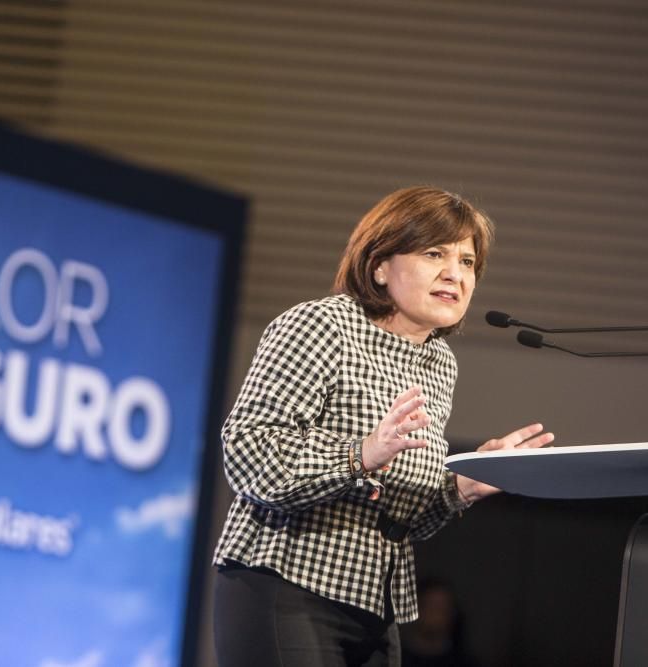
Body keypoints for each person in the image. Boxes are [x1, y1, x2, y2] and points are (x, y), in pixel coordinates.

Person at [212, 186, 553, 666]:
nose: (455, 274)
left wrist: (461, 487)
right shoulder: (322, 326)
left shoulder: (439, 363)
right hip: (287, 585)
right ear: (379, 265)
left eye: (468, 262)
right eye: (435, 253)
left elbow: (399, 517)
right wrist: (361, 455)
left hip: (376, 606)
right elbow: (249, 454)